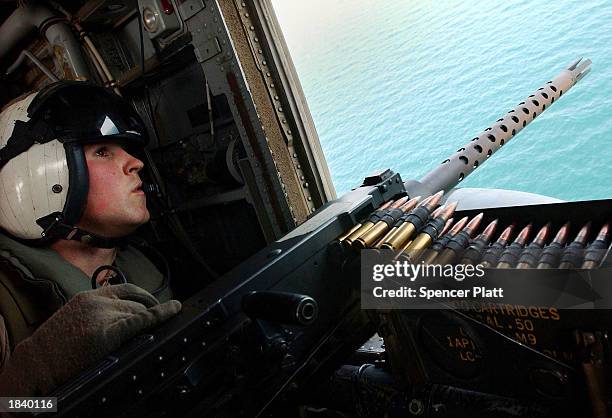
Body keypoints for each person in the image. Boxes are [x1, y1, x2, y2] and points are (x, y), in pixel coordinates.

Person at [0, 81, 182, 396]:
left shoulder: (149, 267)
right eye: (102, 151)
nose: (136, 163)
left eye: (127, 149)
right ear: (42, 176)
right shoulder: (5, 307)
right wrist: (31, 376)